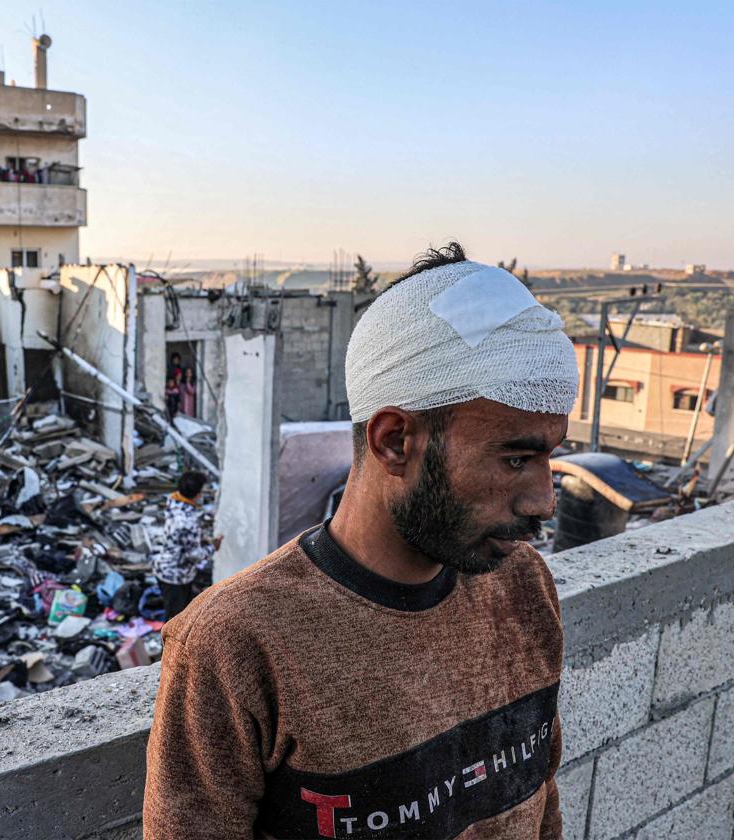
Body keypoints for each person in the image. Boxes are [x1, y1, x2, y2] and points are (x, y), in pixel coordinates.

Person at [144, 242, 578, 839]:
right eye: (515, 458)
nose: (544, 501)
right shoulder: (237, 643)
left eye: (549, 457)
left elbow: (540, 803)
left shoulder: (524, 587)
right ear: (395, 441)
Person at [152, 471, 221, 620]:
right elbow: (194, 555)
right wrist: (213, 547)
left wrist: (201, 539)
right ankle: (168, 644)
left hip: (165, 567)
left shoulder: (174, 502)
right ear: (196, 494)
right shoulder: (188, 521)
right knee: (175, 620)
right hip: (175, 576)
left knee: (179, 613)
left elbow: (181, 537)